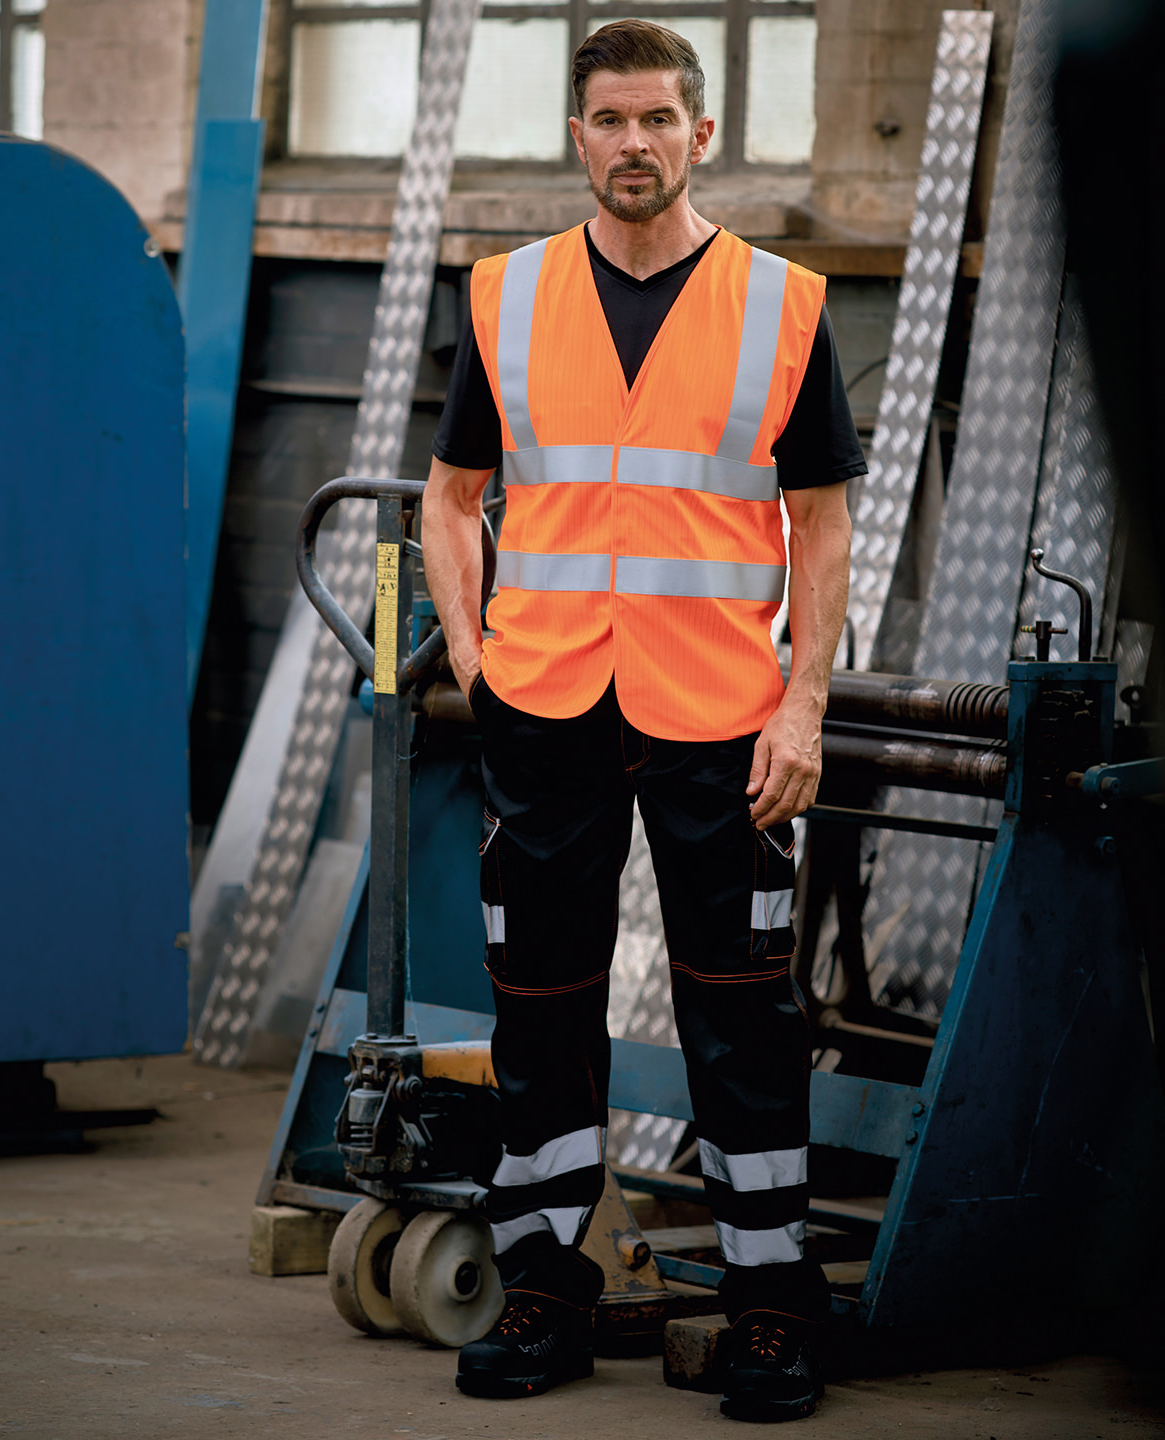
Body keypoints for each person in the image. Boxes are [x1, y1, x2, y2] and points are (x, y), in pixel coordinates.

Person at [422, 18, 864, 1423]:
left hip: (723, 715)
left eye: (657, 119)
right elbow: (451, 499)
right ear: (578, 136)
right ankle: (547, 1286)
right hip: (545, 705)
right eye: (609, 120)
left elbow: (821, 523)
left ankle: (771, 1303)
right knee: (539, 1004)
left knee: (742, 1014)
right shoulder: (506, 295)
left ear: (701, 135)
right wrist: (477, 659)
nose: (633, 144)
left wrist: (805, 705)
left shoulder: (782, 304)